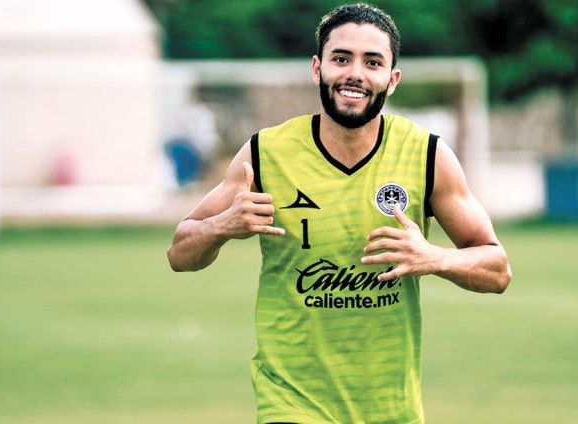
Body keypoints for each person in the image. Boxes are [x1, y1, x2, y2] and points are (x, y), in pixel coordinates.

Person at [167, 3, 511, 423]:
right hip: (291, 402)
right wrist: (222, 226)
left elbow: (498, 270)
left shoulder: (426, 155)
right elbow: (179, 252)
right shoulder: (265, 153)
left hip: (390, 407)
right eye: (342, 59)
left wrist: (435, 258)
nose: (355, 74)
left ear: (392, 79)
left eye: (373, 62)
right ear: (317, 69)